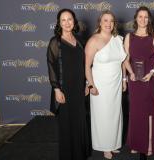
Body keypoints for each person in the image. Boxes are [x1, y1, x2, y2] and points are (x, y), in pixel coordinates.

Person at [47, 8, 91, 160]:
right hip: (64, 89)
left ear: (74, 21)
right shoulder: (55, 42)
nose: (67, 23)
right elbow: (51, 66)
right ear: (59, 23)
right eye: (63, 20)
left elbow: (85, 65)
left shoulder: (79, 41)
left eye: (70, 19)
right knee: (66, 125)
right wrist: (56, 90)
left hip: (79, 88)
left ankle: (80, 154)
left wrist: (87, 83)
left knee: (79, 122)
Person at [85, 10, 127, 160]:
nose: (108, 24)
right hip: (100, 85)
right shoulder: (93, 40)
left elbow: (122, 62)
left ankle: (114, 143)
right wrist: (91, 85)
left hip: (115, 83)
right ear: (100, 23)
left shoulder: (118, 39)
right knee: (102, 115)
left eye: (111, 21)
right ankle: (104, 147)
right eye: (105, 20)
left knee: (115, 115)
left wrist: (124, 80)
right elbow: (87, 66)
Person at [124, 6, 154, 156]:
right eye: (140, 16)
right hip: (135, 79)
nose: (143, 19)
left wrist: (152, 72)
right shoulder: (129, 37)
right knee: (135, 112)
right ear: (136, 18)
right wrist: (131, 73)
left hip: (150, 80)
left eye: (146, 17)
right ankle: (135, 143)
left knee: (149, 112)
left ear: (149, 20)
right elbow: (126, 60)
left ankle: (148, 144)